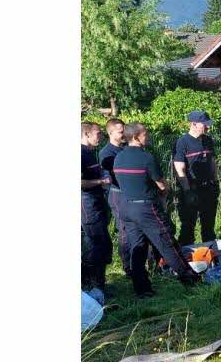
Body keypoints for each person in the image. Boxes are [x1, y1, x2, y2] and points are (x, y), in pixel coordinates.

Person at [112, 123, 199, 297]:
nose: (148, 136)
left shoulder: (119, 158)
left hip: (126, 207)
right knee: (166, 242)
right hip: (146, 207)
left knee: (138, 247)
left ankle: (142, 289)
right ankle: (190, 280)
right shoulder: (146, 158)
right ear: (136, 137)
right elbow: (162, 185)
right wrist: (163, 192)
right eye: (145, 134)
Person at [172, 110, 220, 247]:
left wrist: (215, 182)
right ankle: (186, 262)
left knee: (209, 228)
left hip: (209, 189)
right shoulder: (182, 142)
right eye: (204, 124)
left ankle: (211, 258)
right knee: (188, 228)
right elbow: (179, 169)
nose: (208, 127)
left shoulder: (208, 140)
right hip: (191, 190)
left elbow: (212, 163)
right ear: (193, 124)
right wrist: (187, 191)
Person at [81, 122, 112, 293]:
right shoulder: (80, 153)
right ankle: (93, 286)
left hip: (97, 202)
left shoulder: (91, 153)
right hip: (87, 204)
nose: (101, 136)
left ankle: (99, 284)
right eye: (98, 133)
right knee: (95, 243)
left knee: (102, 243)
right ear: (86, 134)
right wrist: (100, 181)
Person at [98, 118, 132, 277]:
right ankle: (127, 266)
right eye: (120, 131)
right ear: (111, 133)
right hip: (117, 195)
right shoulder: (106, 153)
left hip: (132, 194)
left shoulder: (127, 149)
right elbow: (111, 179)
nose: (124, 133)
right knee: (124, 229)